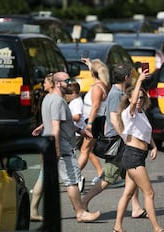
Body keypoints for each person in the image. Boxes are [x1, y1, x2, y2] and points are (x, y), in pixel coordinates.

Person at [31, 72, 101, 223]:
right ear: (57, 83)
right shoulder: (57, 101)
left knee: (43, 177)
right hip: (60, 146)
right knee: (72, 180)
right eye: (67, 81)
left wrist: (80, 131)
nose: (70, 83)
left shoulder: (48, 99)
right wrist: (57, 149)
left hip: (49, 143)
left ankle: (32, 211)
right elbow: (56, 126)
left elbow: (61, 121)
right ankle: (81, 212)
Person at [82, 64, 148, 219]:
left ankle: (136, 207)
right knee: (109, 177)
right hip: (117, 141)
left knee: (132, 174)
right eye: (131, 76)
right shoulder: (116, 94)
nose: (132, 78)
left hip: (121, 140)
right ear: (126, 78)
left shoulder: (119, 92)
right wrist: (126, 137)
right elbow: (113, 118)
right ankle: (84, 201)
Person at [112, 70, 164, 232]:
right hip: (133, 156)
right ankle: (156, 228)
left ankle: (117, 227)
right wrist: (140, 80)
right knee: (149, 193)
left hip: (138, 156)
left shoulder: (141, 114)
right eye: (137, 98)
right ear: (129, 99)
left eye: (143, 97)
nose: (140, 100)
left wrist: (154, 146)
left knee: (128, 194)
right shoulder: (130, 113)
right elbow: (134, 100)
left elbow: (146, 133)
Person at [79, 58, 110, 186]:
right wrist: (90, 64)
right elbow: (97, 74)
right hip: (97, 120)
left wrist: (89, 125)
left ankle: (74, 177)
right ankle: (98, 173)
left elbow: (95, 106)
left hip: (94, 121)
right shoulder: (102, 83)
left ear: (93, 73)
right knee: (87, 150)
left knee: (84, 150)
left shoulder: (97, 88)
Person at [66, 82, 86, 192]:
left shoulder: (76, 102)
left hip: (76, 132)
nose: (66, 95)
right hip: (76, 132)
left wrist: (66, 116)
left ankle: (78, 178)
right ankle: (76, 177)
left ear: (74, 93)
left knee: (70, 156)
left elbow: (77, 117)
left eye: (68, 93)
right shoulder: (75, 101)